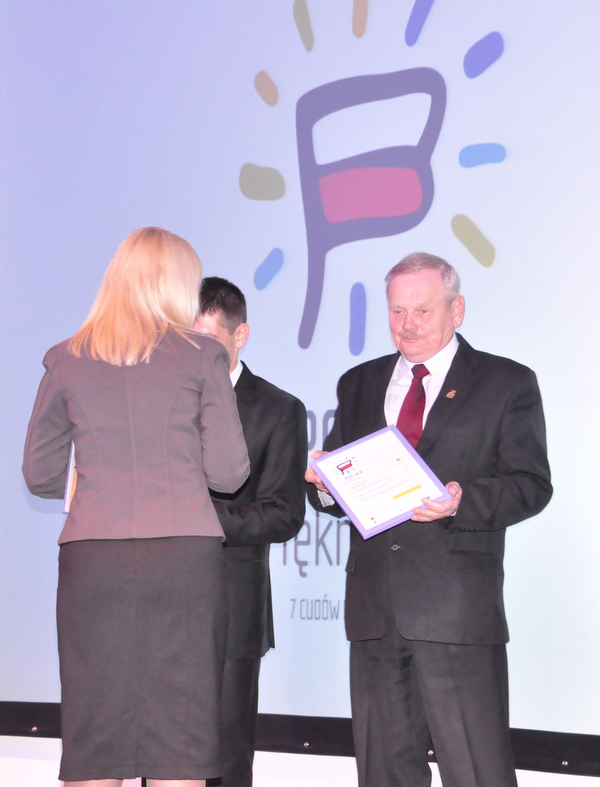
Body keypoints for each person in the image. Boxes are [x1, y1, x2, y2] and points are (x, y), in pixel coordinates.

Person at [305, 252, 552, 787]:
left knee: (478, 772)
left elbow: (532, 485)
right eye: (397, 311)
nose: (407, 324)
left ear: (456, 310)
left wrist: (463, 500)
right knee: (383, 774)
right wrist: (324, 487)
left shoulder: (506, 382)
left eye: (422, 310)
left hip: (457, 612)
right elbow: (342, 486)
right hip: (374, 612)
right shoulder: (358, 383)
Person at [22, 227, 250, 787]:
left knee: (96, 739)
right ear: (177, 284)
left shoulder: (66, 358)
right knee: (180, 742)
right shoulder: (204, 355)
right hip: (182, 563)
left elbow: (39, 474)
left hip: (93, 562)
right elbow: (228, 473)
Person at [194, 277, 307, 787]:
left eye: (206, 340)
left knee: (224, 759)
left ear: (240, 336)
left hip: (231, 607)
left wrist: (194, 518)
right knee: (159, 756)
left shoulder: (279, 409)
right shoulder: (162, 400)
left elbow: (283, 514)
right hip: (156, 603)